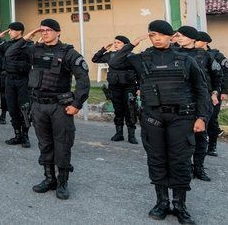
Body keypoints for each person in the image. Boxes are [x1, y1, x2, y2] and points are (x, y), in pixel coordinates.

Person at [110, 20, 210, 224]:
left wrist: (202, 118)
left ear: (171, 36)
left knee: (180, 161)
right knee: (157, 159)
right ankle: (162, 203)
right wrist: (133, 44)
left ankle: (180, 205)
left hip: (181, 118)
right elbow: (115, 62)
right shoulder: (142, 58)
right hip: (153, 117)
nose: (156, 39)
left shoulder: (185, 60)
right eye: (152, 35)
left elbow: (201, 90)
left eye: (161, 35)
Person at [6, 18, 90, 200]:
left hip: (60, 107)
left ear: (58, 32)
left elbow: (83, 80)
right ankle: (49, 178)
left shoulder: (68, 53)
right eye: (42, 30)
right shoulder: (34, 49)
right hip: (38, 106)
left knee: (62, 144)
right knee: (44, 143)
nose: (45, 33)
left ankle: (62, 182)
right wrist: (28, 36)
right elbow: (10, 54)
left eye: (49, 30)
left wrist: (76, 104)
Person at [173, 25, 220, 183]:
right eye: (177, 36)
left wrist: (214, 93)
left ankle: (198, 168)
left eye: (182, 36)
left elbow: (216, 75)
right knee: (182, 137)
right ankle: (185, 168)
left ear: (192, 38)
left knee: (201, 135)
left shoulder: (205, 55)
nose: (179, 38)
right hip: (181, 100)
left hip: (201, 98)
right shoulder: (173, 53)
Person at [92, 36, 139, 144]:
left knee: (130, 109)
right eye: (115, 42)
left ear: (126, 45)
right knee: (118, 110)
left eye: (119, 42)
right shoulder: (110, 55)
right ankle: (119, 133)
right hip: (114, 86)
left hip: (129, 87)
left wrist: (139, 87)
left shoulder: (132, 56)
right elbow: (95, 59)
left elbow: (139, 73)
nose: (116, 44)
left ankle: (131, 135)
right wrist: (104, 49)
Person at [0, 22, 32, 147]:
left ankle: (25, 136)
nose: (9, 32)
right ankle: (17, 135)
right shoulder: (7, 45)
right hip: (9, 80)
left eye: (11, 30)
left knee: (24, 109)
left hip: (23, 80)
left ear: (19, 31)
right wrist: (0, 36)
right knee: (12, 108)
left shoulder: (29, 45)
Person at [197, 31, 228, 157]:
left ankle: (212, 146)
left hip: (214, 92)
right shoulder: (192, 54)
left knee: (212, 119)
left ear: (205, 42)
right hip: (200, 92)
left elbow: (225, 74)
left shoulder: (216, 55)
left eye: (198, 40)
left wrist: (224, 91)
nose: (195, 42)